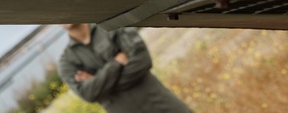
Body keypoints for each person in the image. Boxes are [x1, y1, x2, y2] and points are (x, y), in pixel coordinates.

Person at [58, 23, 193, 112]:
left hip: (164, 106)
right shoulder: (67, 62)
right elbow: (88, 94)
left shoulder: (112, 27)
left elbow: (142, 61)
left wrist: (100, 83)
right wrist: (116, 64)